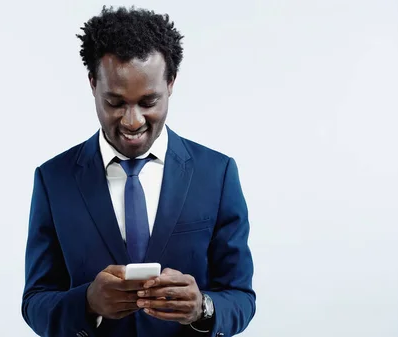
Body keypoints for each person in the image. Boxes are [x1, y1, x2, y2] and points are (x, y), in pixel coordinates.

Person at [21, 6, 255, 337]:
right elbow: (35, 302)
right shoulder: (53, 180)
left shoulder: (217, 174)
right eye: (115, 103)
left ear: (171, 83)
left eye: (148, 102)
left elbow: (240, 295)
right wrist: (87, 302)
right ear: (93, 84)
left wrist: (203, 307)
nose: (133, 122)